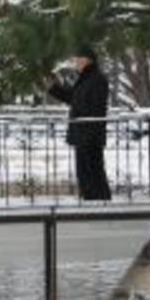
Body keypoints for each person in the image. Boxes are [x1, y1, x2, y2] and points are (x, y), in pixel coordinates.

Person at [43, 45, 112, 201]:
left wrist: (82, 120)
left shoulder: (96, 79)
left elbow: (94, 107)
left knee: (93, 171)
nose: (75, 62)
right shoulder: (85, 78)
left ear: (87, 60)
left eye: (78, 59)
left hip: (89, 134)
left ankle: (100, 202)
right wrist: (53, 88)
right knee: (85, 172)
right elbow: (73, 98)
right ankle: (92, 200)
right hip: (83, 133)